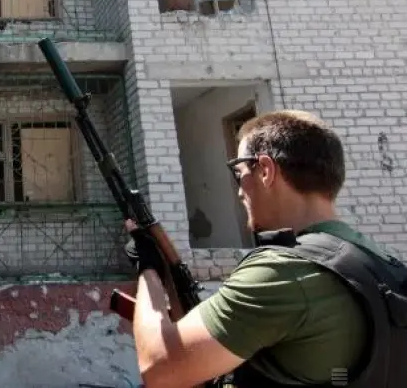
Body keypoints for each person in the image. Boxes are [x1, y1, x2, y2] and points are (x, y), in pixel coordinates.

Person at [124, 109, 399, 388]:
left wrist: (149, 269)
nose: (240, 191)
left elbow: (159, 368)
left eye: (240, 172)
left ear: (266, 171)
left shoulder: (284, 271)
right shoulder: (385, 264)